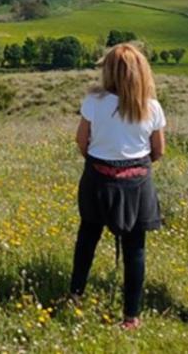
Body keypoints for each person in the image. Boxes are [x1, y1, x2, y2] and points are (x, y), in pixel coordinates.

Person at [69, 43, 166, 331]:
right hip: (137, 181)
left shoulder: (94, 103)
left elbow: (81, 141)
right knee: (135, 248)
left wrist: (101, 157)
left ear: (109, 71)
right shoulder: (151, 107)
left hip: (98, 178)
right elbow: (158, 150)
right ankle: (131, 316)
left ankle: (75, 294)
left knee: (88, 236)